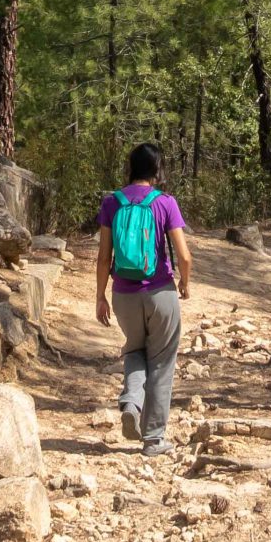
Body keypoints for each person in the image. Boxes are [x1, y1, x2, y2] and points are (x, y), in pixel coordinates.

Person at [95, 142, 192, 455]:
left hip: (123, 293)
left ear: (131, 167)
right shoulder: (165, 202)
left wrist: (100, 296)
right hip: (159, 292)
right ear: (157, 169)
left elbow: (103, 256)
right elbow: (184, 256)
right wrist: (185, 284)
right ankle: (153, 439)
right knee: (162, 361)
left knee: (135, 350)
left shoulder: (112, 202)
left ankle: (131, 402)